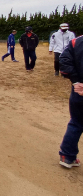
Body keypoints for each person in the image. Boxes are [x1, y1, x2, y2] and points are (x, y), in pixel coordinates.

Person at [58, 35, 83, 168]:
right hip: (79, 89)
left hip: (79, 90)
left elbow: (64, 60)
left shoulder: (76, 41)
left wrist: (76, 81)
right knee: (76, 122)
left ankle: (67, 156)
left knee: (76, 123)